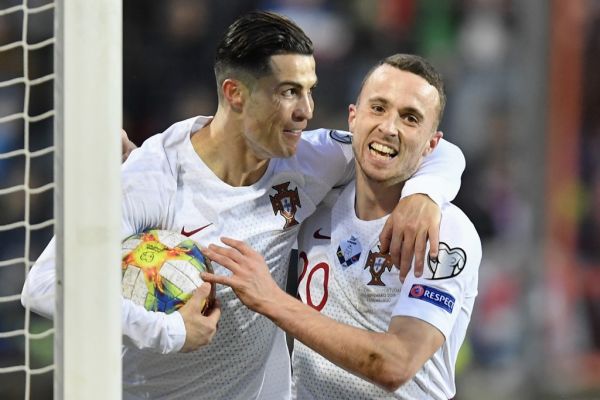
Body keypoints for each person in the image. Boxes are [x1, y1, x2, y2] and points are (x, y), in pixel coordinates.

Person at [22, 12, 465, 400]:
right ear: (235, 94)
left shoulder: (308, 158)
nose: (306, 111)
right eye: (288, 92)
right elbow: (44, 285)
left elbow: (423, 146)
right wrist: (171, 332)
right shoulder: (150, 177)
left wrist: (424, 194)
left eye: (310, 91)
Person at [202, 54, 481, 399]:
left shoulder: (445, 231)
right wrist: (144, 164)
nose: (389, 127)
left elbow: (396, 363)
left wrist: (272, 300)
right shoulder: (316, 196)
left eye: (410, 118)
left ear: (432, 144)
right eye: (378, 108)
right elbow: (227, 174)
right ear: (353, 118)